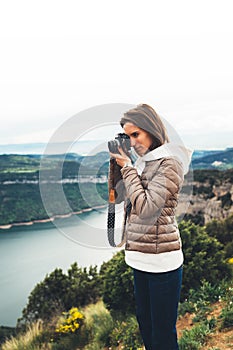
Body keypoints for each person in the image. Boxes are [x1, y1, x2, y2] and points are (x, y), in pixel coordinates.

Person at [109, 104, 192, 350]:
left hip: (162, 262)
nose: (133, 143)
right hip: (139, 259)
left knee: (162, 335)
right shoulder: (142, 163)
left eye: (136, 134)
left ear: (152, 130)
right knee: (146, 326)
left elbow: (146, 209)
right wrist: (119, 166)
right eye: (128, 136)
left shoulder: (170, 164)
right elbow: (126, 201)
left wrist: (127, 166)